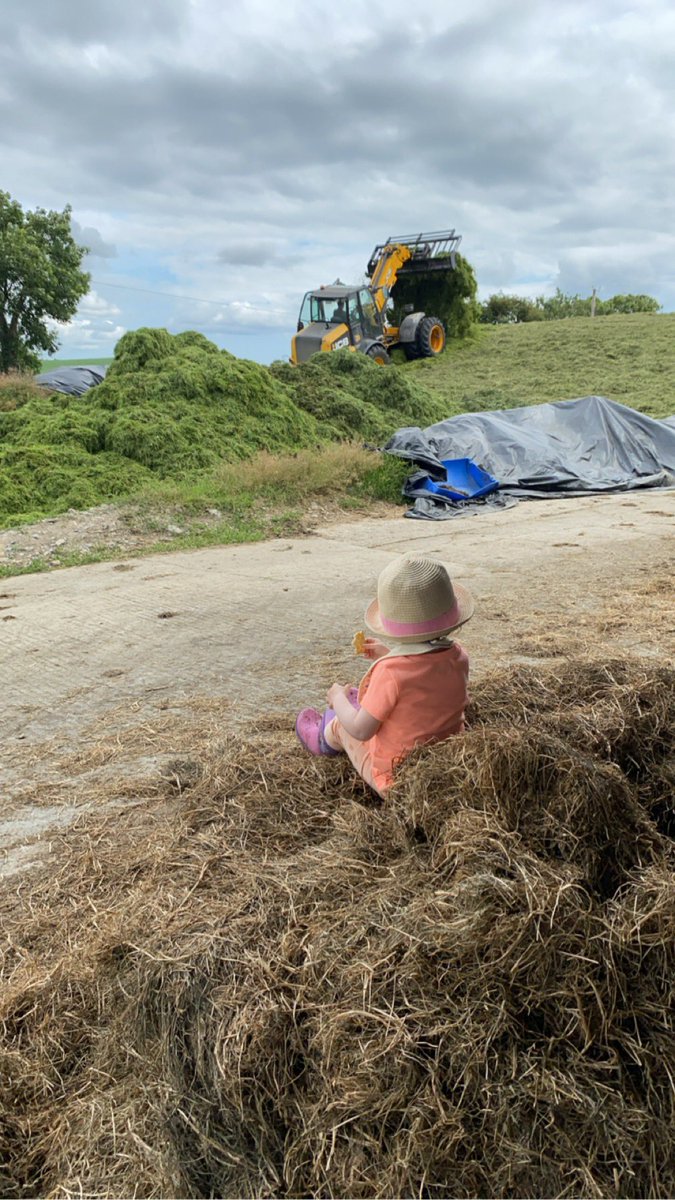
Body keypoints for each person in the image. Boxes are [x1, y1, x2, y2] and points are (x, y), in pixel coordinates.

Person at [295, 553, 474, 796]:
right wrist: (389, 654)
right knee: (374, 706)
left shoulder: (390, 673)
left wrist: (337, 698)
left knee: (343, 725)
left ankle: (321, 739)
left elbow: (361, 730)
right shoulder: (458, 656)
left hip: (396, 781)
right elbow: (422, 678)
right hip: (446, 764)